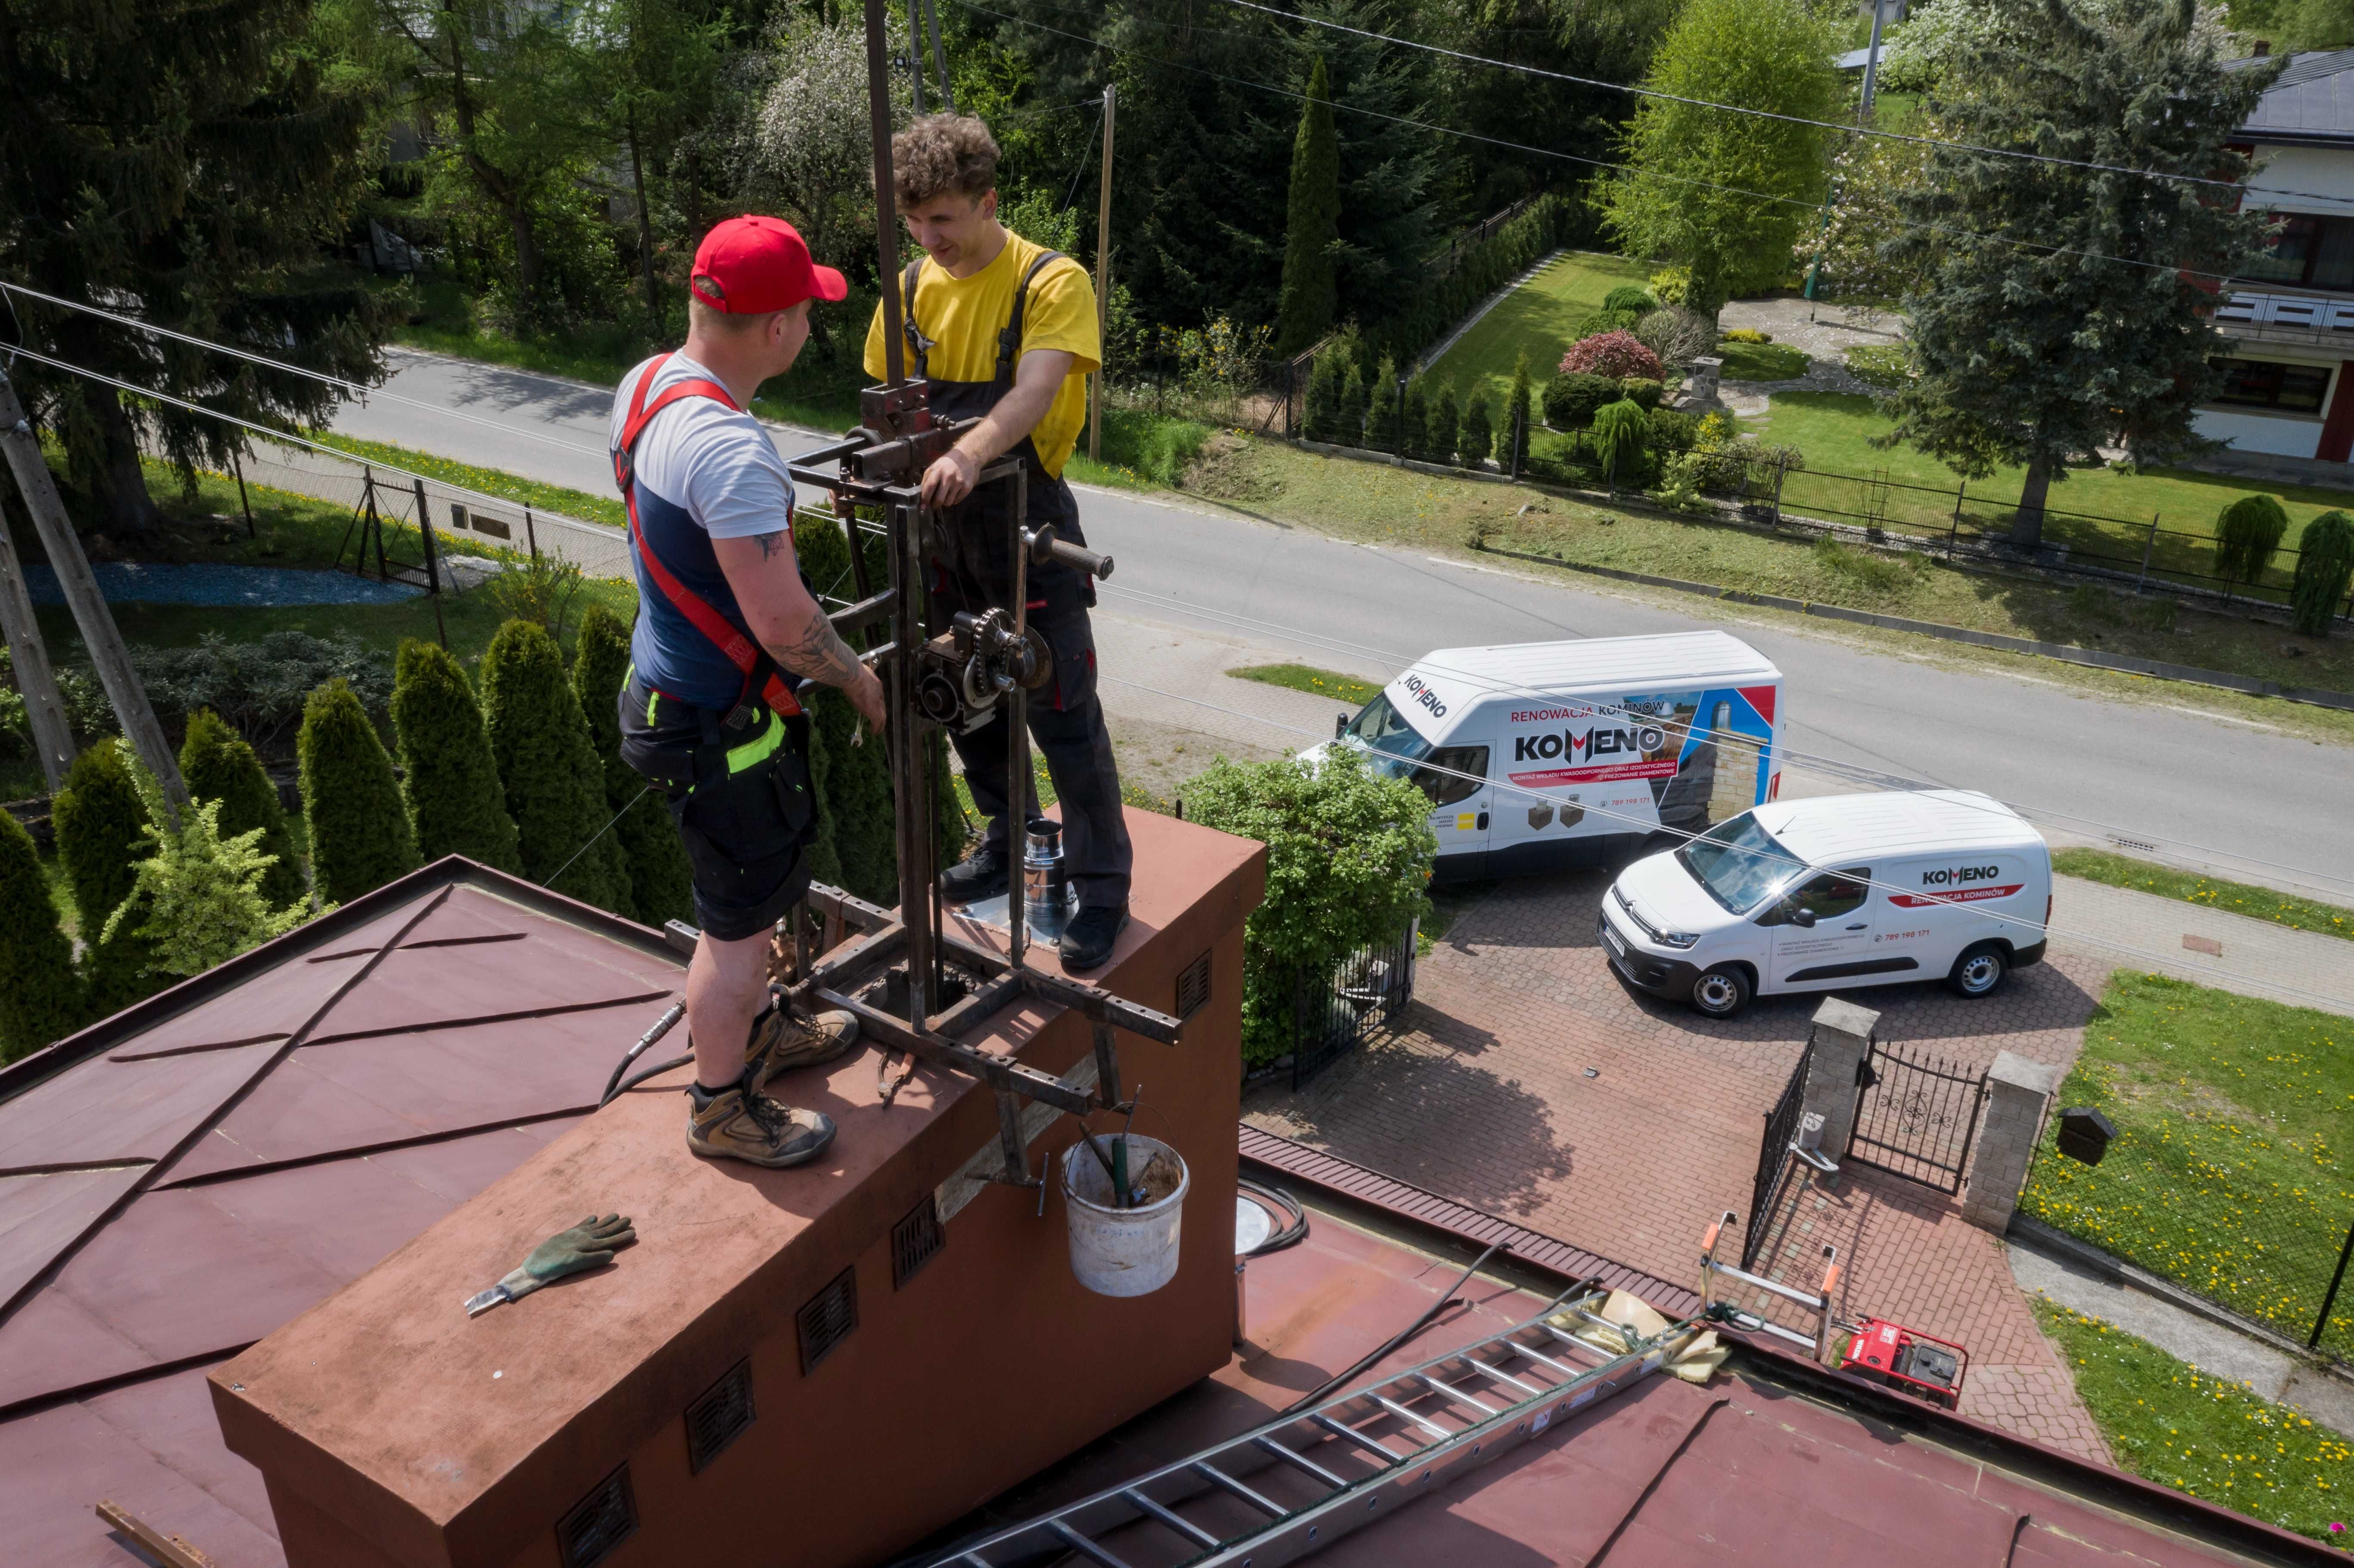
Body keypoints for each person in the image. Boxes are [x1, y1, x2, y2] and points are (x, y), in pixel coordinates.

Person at [612, 215, 889, 1169]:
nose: (812, 326)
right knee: (735, 935)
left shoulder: (649, 384)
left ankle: (764, 1028)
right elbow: (780, 624)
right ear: (776, 328)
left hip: (671, 694)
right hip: (715, 728)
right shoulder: (730, 455)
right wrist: (856, 677)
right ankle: (720, 1104)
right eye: (807, 310)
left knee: (755, 912)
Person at [866, 113, 1133, 971]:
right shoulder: (907, 287)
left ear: (987, 202)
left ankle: (1100, 890)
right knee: (961, 694)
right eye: (913, 223)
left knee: (1064, 716)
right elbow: (886, 401)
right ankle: (1005, 834)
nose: (926, 238)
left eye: (941, 220)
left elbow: (1032, 393)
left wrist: (966, 452)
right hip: (943, 534)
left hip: (1029, 529)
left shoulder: (1049, 282)